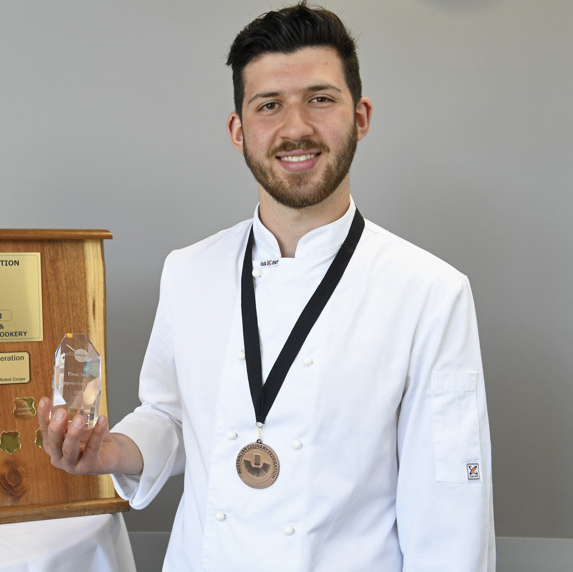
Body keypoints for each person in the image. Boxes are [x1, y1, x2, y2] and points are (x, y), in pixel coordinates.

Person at [37, 2, 495, 570]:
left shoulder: (431, 293)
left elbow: (450, 510)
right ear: (239, 129)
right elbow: (173, 416)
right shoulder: (188, 269)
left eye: (321, 99)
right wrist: (115, 451)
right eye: (269, 105)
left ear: (361, 116)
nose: (296, 127)